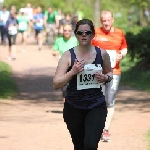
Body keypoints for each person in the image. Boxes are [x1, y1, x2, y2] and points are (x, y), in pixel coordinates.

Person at [53, 19, 113, 150]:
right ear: (76, 34)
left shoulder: (102, 54)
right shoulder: (68, 56)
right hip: (74, 106)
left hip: (96, 105)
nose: (84, 35)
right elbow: (56, 84)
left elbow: (110, 73)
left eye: (87, 32)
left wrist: (105, 78)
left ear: (93, 35)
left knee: (90, 145)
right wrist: (72, 72)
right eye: (80, 32)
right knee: (79, 146)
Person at [91, 10, 128, 142]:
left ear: (112, 19)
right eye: (103, 21)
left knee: (109, 100)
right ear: (101, 21)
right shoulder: (95, 33)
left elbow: (124, 48)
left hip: (114, 72)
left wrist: (121, 55)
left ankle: (105, 130)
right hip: (98, 72)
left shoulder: (119, 33)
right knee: (97, 100)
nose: (106, 23)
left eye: (108, 20)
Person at [52, 23, 78, 102]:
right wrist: (55, 53)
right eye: (65, 30)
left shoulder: (76, 40)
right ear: (62, 31)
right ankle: (66, 106)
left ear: (72, 31)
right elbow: (54, 51)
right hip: (63, 67)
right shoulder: (59, 40)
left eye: (69, 30)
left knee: (75, 87)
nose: (67, 32)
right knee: (65, 88)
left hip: (74, 67)